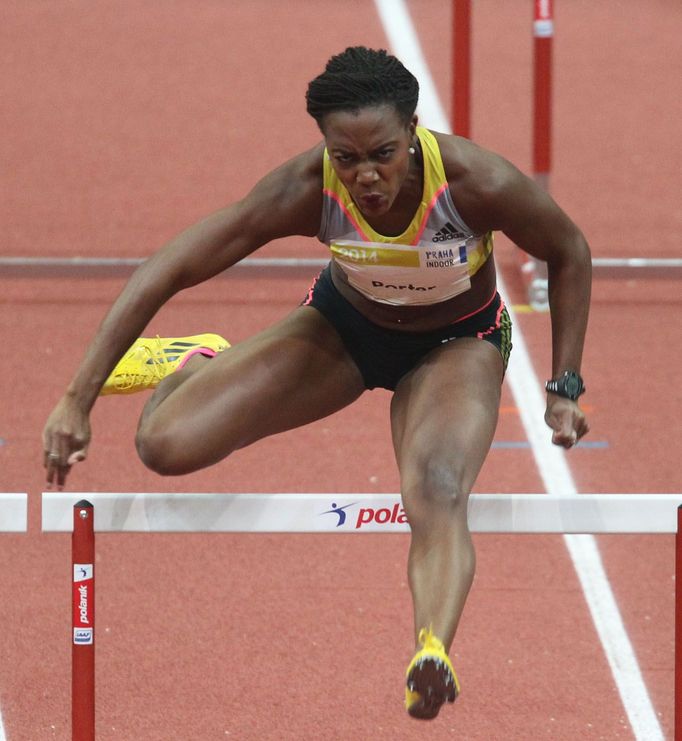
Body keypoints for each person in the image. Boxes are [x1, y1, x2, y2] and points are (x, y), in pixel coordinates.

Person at [42, 46, 591, 720]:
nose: (365, 176)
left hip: (457, 344)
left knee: (437, 487)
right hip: (343, 331)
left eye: (383, 153)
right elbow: (170, 267)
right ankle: (202, 360)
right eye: (346, 157)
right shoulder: (307, 188)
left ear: (415, 132)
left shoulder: (476, 182)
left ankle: (432, 650)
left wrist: (564, 385)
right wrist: (78, 395)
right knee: (164, 444)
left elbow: (570, 252)